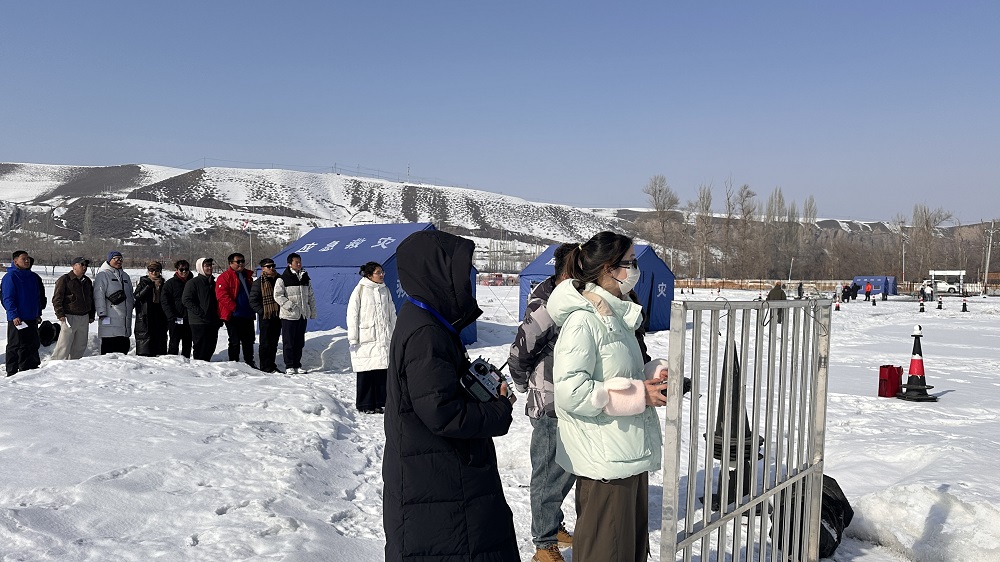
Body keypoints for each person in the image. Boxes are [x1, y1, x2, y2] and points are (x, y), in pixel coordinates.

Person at [383, 230, 519, 562]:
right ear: (435, 274)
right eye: (458, 272)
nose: (464, 281)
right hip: (441, 482)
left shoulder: (428, 322)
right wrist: (498, 411)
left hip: (440, 474)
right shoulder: (427, 334)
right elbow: (441, 412)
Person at [547, 231, 668, 562]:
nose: (635, 270)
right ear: (607, 269)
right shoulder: (583, 321)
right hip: (605, 462)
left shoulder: (615, 316)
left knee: (629, 551)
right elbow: (572, 392)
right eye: (630, 263)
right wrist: (637, 394)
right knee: (606, 552)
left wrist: (651, 375)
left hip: (627, 453)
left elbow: (617, 374)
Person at [509, 243, 577, 562]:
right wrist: (526, 386)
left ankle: (553, 524)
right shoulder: (546, 303)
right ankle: (544, 543)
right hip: (549, 399)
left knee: (566, 469)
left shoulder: (577, 297)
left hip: (574, 398)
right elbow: (520, 351)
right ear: (567, 271)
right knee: (548, 470)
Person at [347, 261, 397, 414]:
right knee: (366, 371)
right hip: (366, 337)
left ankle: (379, 402)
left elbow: (392, 313)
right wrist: (353, 337)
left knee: (381, 371)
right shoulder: (360, 290)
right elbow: (352, 314)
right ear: (369, 275)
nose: (382, 275)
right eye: (378, 272)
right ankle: (365, 404)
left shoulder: (385, 290)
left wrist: (395, 333)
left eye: (382, 272)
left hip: (383, 336)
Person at [2, 250, 44, 375]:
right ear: (15, 261)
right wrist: (13, 314)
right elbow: (8, 298)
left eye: (28, 259)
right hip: (18, 318)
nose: (27, 261)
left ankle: (28, 369)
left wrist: (38, 313)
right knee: (15, 345)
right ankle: (12, 371)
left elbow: (37, 297)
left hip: (31, 317)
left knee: (31, 344)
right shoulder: (10, 277)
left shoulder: (32, 277)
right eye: (24, 259)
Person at [273, 252, 316, 374]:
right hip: (289, 315)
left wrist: (312, 311)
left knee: (299, 341)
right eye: (296, 262)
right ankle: (289, 365)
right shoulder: (283, 278)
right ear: (289, 264)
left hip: (302, 315)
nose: (299, 264)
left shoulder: (305, 277)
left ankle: (297, 364)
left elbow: (311, 296)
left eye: (300, 262)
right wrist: (289, 306)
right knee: (289, 341)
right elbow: (277, 295)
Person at [216, 252, 257, 368]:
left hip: (248, 314)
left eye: (242, 261)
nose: (241, 264)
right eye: (238, 262)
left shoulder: (247, 276)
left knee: (248, 340)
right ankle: (234, 363)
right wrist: (234, 308)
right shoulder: (224, 277)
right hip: (233, 315)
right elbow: (222, 295)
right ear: (230, 263)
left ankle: (250, 362)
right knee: (234, 341)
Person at [50, 256, 96, 360]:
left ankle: (74, 365)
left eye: (86, 265)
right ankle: (56, 365)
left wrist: (91, 315)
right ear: (74, 266)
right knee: (64, 345)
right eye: (82, 264)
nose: (84, 267)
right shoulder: (65, 279)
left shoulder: (87, 281)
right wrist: (60, 314)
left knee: (80, 345)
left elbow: (91, 299)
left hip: (84, 316)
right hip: (69, 316)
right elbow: (57, 298)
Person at [93, 250, 134, 355]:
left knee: (123, 347)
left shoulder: (125, 276)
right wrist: (101, 312)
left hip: (124, 319)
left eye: (121, 259)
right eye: (116, 259)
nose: (119, 261)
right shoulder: (103, 274)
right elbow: (98, 294)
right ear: (109, 260)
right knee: (109, 348)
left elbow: (130, 294)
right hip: (109, 317)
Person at [183, 258, 220, 362]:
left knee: (211, 346)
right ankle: (199, 368)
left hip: (212, 320)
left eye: (210, 265)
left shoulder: (213, 283)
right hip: (198, 321)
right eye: (206, 266)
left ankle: (206, 366)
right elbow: (186, 300)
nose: (209, 268)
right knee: (200, 347)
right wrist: (200, 312)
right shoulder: (193, 283)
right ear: (200, 267)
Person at [249, 257, 282, 373]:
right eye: (269, 266)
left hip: (278, 315)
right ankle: (265, 366)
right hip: (266, 317)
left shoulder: (279, 280)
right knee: (265, 343)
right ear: (263, 268)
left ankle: (272, 365)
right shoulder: (258, 283)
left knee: (274, 342)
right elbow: (253, 301)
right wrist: (263, 311)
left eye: (273, 266)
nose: (271, 268)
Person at [133, 261, 169, 356]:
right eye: (151, 270)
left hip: (160, 318)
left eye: (156, 270)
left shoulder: (164, 285)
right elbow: (137, 296)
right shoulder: (143, 283)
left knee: (159, 350)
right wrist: (149, 286)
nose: (154, 272)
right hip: (145, 318)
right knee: (145, 351)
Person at [161, 260, 193, 358]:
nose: (184, 272)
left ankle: (187, 363)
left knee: (187, 343)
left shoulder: (192, 282)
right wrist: (171, 316)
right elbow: (165, 301)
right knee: (174, 342)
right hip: (175, 318)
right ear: (176, 270)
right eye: (181, 269)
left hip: (189, 318)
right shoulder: (170, 284)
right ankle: (172, 363)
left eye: (186, 269)